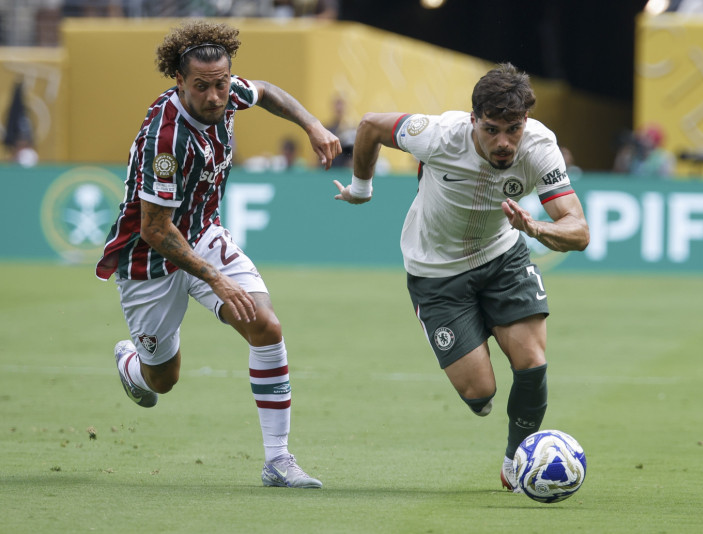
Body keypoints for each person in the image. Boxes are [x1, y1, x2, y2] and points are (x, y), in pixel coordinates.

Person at [95, 20, 341, 489]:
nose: (214, 97)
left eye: (222, 84)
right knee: (163, 380)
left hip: (203, 233)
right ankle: (131, 364)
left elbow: (266, 91)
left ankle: (277, 460)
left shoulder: (229, 94)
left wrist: (312, 124)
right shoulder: (166, 140)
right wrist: (215, 279)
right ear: (180, 82)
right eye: (202, 87)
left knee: (265, 325)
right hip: (150, 258)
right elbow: (154, 228)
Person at [332, 63, 589, 492]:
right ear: (473, 120)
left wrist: (536, 228)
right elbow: (370, 125)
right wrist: (361, 188)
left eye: (514, 129)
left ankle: (515, 463)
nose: (504, 142)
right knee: (480, 396)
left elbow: (578, 231)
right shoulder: (438, 135)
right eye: (492, 130)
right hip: (436, 272)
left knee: (531, 361)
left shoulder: (540, 147)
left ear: (526, 121)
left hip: (502, 257)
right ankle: (475, 330)